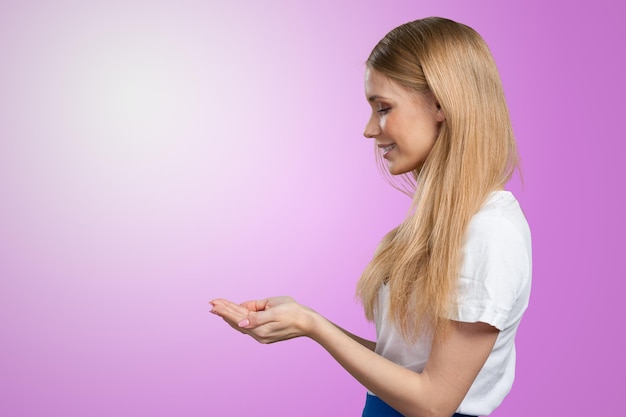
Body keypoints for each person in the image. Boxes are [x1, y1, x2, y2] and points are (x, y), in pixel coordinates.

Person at [210, 16, 531, 417]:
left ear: (440, 104)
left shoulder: (490, 232)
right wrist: (306, 324)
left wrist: (314, 325)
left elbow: (434, 403)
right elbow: (402, 369)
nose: (368, 129)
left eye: (383, 108)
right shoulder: (434, 227)